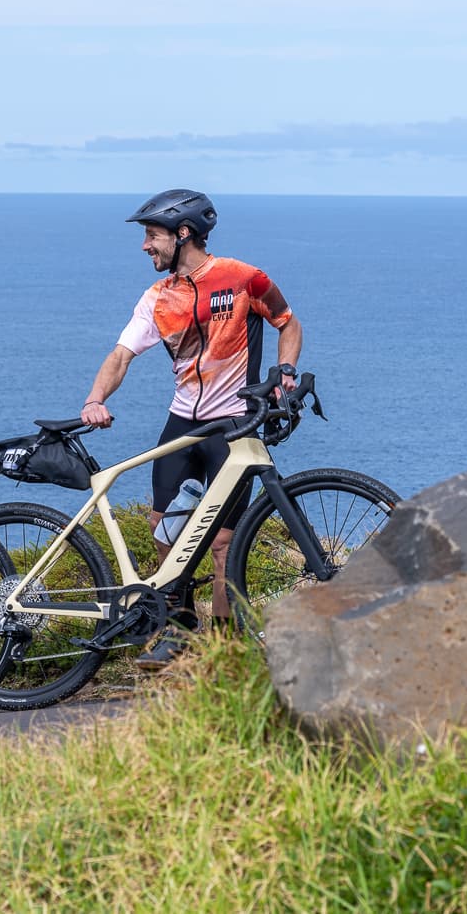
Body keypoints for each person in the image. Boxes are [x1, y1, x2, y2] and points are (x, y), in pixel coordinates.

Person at [79, 189, 300, 668]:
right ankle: (179, 630)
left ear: (183, 235)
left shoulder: (243, 279)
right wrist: (96, 399)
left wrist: (285, 373)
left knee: (223, 544)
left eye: (151, 235)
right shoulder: (158, 298)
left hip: (233, 428)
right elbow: (121, 356)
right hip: (182, 425)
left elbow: (288, 323)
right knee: (164, 534)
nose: (144, 246)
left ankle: (223, 650)